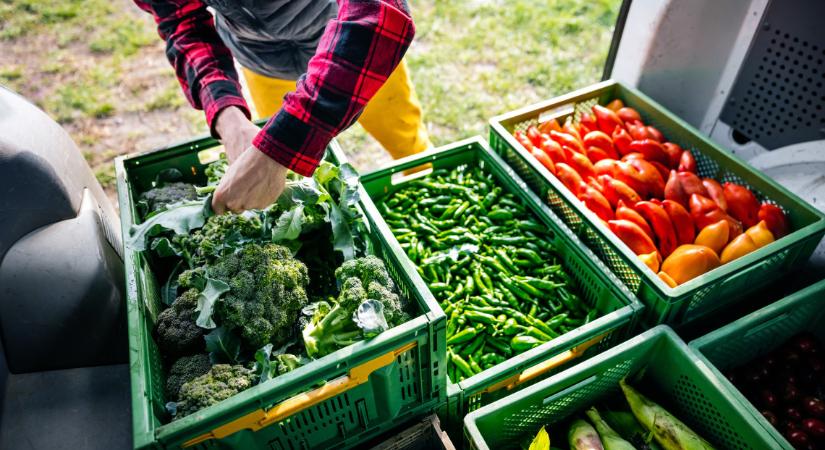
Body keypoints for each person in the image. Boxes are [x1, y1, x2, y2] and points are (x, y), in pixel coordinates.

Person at [135, 0, 431, 214]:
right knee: (293, 179)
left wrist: (279, 149)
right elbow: (183, 22)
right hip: (260, 59)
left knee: (401, 132)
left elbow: (379, 11)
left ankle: (424, 182)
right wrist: (229, 117)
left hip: (352, 42)